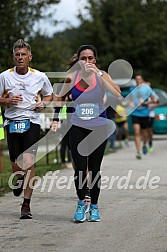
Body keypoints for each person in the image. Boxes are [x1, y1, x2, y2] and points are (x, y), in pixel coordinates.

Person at [51, 44, 121, 222]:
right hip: (77, 126)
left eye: (90, 58)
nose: (87, 61)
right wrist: (56, 119)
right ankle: (82, 203)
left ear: (95, 60)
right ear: (78, 60)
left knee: (95, 169)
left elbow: (117, 94)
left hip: (98, 127)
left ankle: (95, 208)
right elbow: (59, 99)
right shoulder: (71, 77)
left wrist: (98, 72)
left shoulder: (102, 75)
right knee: (80, 169)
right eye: (84, 58)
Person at [0, 39, 53, 219]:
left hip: (32, 121)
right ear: (13, 57)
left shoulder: (39, 76)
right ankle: (19, 178)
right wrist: (7, 101)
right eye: (17, 55)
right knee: (16, 165)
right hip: (12, 122)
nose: (20, 58)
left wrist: (43, 104)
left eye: (23, 55)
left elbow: (49, 94)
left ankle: (26, 204)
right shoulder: (4, 76)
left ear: (30, 57)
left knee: (29, 161)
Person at [130, 75, 154, 159]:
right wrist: (130, 103)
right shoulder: (132, 89)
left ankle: (144, 144)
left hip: (144, 113)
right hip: (135, 113)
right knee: (136, 132)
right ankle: (138, 152)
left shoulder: (147, 88)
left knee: (144, 132)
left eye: (139, 79)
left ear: (142, 80)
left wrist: (147, 103)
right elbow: (129, 99)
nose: (138, 81)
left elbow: (153, 98)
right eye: (136, 79)